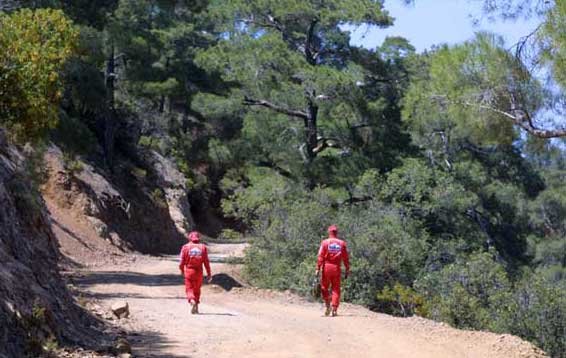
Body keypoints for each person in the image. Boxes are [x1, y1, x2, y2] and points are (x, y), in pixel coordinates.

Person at [315, 225, 350, 317]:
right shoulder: (342, 243)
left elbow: (320, 256)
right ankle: (334, 309)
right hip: (336, 268)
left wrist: (317, 268)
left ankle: (327, 305)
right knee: (336, 289)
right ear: (336, 233)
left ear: (329, 232)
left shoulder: (325, 243)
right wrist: (347, 269)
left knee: (324, 287)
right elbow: (346, 258)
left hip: (326, 267)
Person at [179, 231, 212, 314]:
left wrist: (182, 270)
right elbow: (206, 262)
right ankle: (196, 307)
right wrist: (209, 274)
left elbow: (181, 262)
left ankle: (192, 300)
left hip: (189, 271)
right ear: (198, 238)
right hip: (199, 272)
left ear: (190, 238)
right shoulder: (203, 247)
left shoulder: (185, 247)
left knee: (189, 289)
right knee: (197, 290)